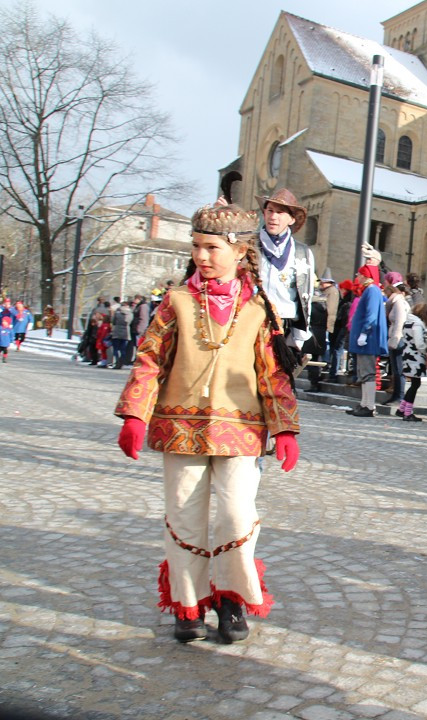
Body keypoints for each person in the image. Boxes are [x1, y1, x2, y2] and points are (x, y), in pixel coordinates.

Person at [114, 203, 300, 644]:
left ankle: (231, 596)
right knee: (184, 516)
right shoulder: (175, 301)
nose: (201, 255)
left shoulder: (259, 308)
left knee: (236, 515)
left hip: (241, 428)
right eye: (196, 246)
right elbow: (150, 359)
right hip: (180, 428)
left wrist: (286, 428)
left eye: (211, 247)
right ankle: (189, 600)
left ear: (239, 251)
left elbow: (272, 371)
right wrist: (135, 415)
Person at [255, 189, 315, 353]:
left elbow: (306, 296)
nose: (273, 217)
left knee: (276, 377)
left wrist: (298, 337)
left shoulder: (302, 252)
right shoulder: (251, 246)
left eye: (280, 212)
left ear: (291, 219)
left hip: (284, 325)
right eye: (270, 211)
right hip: (251, 320)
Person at [346, 270, 388, 417]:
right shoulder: (370, 290)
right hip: (365, 340)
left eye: (359, 274)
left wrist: (364, 332)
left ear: (365, 275)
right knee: (363, 373)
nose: (357, 277)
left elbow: (370, 315)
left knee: (367, 372)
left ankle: (369, 406)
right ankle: (364, 403)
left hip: (368, 340)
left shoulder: (372, 290)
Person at [398, 302, 427, 422]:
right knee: (415, 384)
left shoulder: (408, 322)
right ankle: (407, 412)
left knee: (414, 384)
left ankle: (402, 408)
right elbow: (419, 343)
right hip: (415, 357)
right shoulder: (417, 324)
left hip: (407, 354)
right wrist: (426, 352)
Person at [384, 271, 410, 404]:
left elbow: (400, 322)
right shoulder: (395, 302)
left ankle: (399, 395)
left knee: (399, 369)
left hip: (398, 339)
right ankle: (395, 395)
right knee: (395, 369)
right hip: (394, 337)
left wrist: (394, 340)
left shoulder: (399, 303)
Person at [109, 300, 133, 370]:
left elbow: (113, 321)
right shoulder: (130, 313)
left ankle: (117, 362)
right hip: (126, 332)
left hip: (117, 331)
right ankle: (121, 362)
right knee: (123, 349)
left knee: (116, 349)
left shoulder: (117, 312)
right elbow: (130, 322)